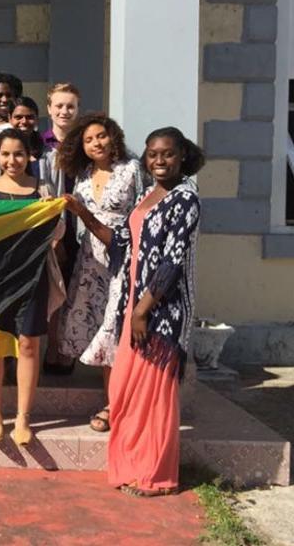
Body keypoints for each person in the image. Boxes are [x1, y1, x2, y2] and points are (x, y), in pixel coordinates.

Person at [63, 126, 205, 497]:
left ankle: (156, 476)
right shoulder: (146, 194)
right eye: (153, 154)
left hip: (162, 311)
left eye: (168, 154)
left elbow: (172, 263)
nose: (160, 160)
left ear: (183, 156)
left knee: (154, 395)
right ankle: (132, 466)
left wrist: (143, 311)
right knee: (127, 390)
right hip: (133, 305)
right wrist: (83, 214)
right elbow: (121, 243)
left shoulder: (186, 199)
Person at [55, 114, 146, 432]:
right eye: (89, 139)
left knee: (115, 332)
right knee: (99, 332)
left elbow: (143, 212)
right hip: (90, 261)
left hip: (123, 258)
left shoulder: (131, 169)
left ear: (114, 137)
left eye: (101, 136)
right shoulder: (82, 174)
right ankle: (116, 401)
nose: (96, 143)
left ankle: (114, 406)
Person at [0, 129, 64, 444]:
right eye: (5, 154)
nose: (11, 160)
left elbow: (57, 235)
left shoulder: (43, 188)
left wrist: (52, 210)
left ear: (29, 155)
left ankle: (23, 419)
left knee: (28, 345)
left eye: (18, 154)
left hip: (33, 277)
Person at [39, 82, 82, 375]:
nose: (65, 111)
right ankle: (52, 348)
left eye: (71, 106)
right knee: (55, 289)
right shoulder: (40, 144)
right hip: (52, 225)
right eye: (60, 105)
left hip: (82, 225)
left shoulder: (86, 144)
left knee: (76, 290)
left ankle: (69, 349)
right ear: (49, 108)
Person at [8, 97, 46, 178]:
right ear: (9, 118)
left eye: (29, 117)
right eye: (18, 117)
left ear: (36, 119)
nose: (24, 121)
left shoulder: (47, 151)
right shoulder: (2, 149)